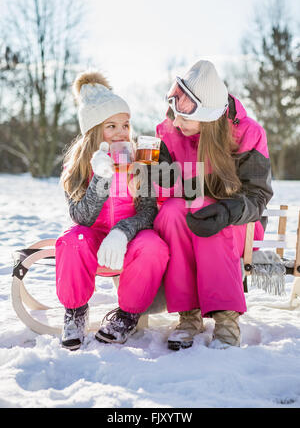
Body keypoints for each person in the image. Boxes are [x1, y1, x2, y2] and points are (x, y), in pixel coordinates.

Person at [153, 60, 273, 350]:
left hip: (239, 220)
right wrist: (148, 177)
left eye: (184, 117)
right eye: (175, 112)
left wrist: (229, 210)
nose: (176, 122)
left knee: (212, 219)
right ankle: (189, 315)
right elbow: (162, 191)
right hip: (186, 215)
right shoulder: (170, 132)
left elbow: (258, 195)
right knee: (170, 212)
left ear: (208, 118)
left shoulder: (248, 134)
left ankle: (226, 319)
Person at [56, 71, 169, 350]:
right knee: (72, 239)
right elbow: (81, 217)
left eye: (125, 125)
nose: (121, 133)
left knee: (154, 246)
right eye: (111, 126)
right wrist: (100, 179)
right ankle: (75, 311)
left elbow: (147, 214)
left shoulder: (139, 161)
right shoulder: (78, 167)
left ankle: (127, 314)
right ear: (94, 131)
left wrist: (122, 231)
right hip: (93, 240)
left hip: (128, 240)